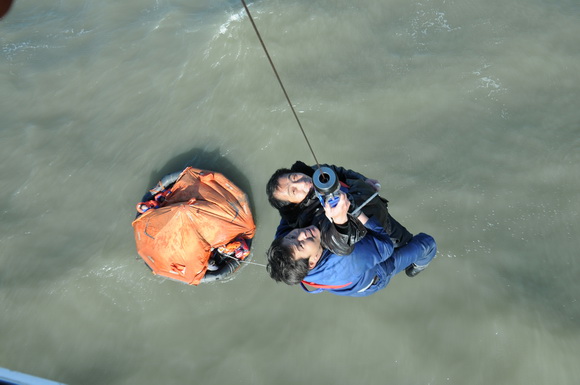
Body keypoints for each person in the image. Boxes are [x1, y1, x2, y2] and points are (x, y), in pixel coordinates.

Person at [266, 193, 437, 297]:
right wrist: (355, 212)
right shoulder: (348, 261)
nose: (301, 234)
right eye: (301, 245)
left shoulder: (283, 243)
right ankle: (417, 265)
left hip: (350, 272)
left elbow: (287, 220)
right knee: (427, 243)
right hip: (375, 275)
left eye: (293, 236)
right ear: (312, 261)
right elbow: (385, 246)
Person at [266, 161, 413, 253]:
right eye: (294, 191)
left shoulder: (314, 172)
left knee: (403, 236)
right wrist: (339, 220)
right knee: (403, 245)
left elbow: (339, 171)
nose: (301, 183)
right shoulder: (312, 217)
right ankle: (413, 261)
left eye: (294, 177)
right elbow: (338, 244)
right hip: (375, 228)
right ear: (293, 204)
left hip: (376, 204)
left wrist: (363, 179)